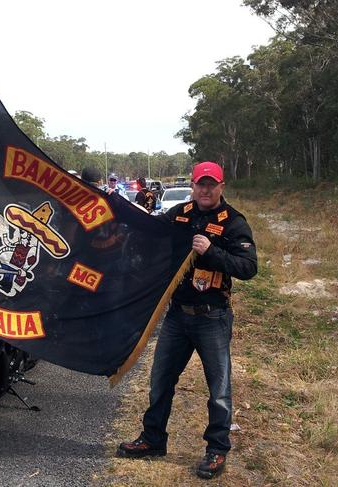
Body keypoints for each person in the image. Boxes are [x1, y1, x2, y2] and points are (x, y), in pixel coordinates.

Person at [116, 161, 257, 480]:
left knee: (218, 389)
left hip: (213, 318)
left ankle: (217, 450)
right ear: (193, 186)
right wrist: (118, 215)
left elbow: (249, 267)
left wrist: (211, 252)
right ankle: (152, 440)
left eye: (211, 184)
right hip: (178, 315)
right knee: (160, 381)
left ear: (222, 187)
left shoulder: (233, 222)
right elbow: (148, 234)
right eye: (200, 184)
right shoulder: (179, 213)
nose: (205, 190)